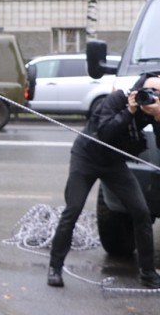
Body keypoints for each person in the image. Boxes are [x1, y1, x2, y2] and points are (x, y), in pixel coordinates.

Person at [47, 73, 160, 289]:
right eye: (150, 92)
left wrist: (158, 117)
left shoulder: (153, 109)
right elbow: (106, 134)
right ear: (138, 91)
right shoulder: (117, 100)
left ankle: (147, 272)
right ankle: (55, 268)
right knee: (73, 210)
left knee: (141, 212)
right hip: (86, 158)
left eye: (159, 94)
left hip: (114, 164)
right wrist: (130, 111)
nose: (153, 97)